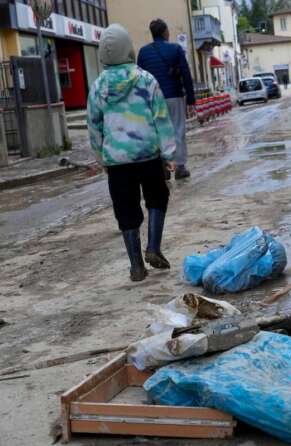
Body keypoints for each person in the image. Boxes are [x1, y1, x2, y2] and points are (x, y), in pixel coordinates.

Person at [88, 24, 176, 282]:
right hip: (148, 154)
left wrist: (101, 156)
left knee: (125, 209)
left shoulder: (98, 86)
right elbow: (162, 118)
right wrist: (169, 154)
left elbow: (94, 125)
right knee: (157, 196)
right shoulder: (146, 79)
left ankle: (136, 265)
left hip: (117, 160)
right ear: (129, 48)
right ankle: (154, 247)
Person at [137, 19, 195, 180]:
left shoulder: (143, 52)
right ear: (165, 32)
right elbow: (186, 74)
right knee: (178, 130)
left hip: (153, 99)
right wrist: (191, 99)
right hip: (174, 96)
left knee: (158, 132)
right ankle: (180, 167)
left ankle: (163, 166)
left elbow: (138, 78)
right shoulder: (176, 49)